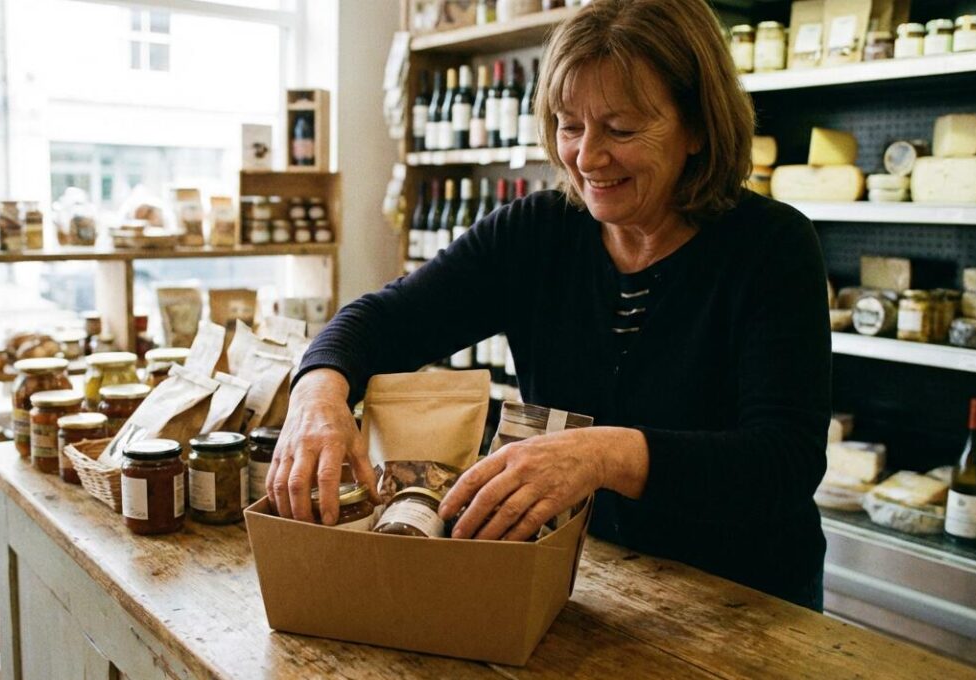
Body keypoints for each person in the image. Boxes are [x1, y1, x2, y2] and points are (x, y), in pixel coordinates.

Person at [266, 0, 832, 611]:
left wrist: (605, 455)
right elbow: (382, 320)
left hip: (744, 602)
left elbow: (784, 462)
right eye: (569, 125)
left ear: (697, 127)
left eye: (620, 129)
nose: (587, 157)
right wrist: (318, 392)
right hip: (592, 586)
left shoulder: (771, 247)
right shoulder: (537, 232)